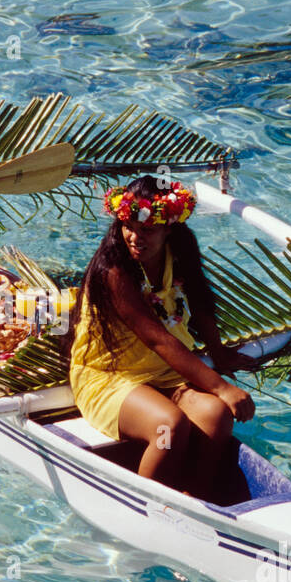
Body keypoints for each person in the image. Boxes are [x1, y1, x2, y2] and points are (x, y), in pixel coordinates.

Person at [64, 175, 256, 502]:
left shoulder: (181, 248)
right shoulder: (114, 271)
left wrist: (219, 354)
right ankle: (147, 505)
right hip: (109, 375)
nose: (134, 238)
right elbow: (157, 340)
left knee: (216, 415)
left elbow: (199, 299)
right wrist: (222, 387)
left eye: (147, 230)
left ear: (169, 228)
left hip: (164, 372)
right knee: (169, 427)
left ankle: (196, 499)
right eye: (128, 226)